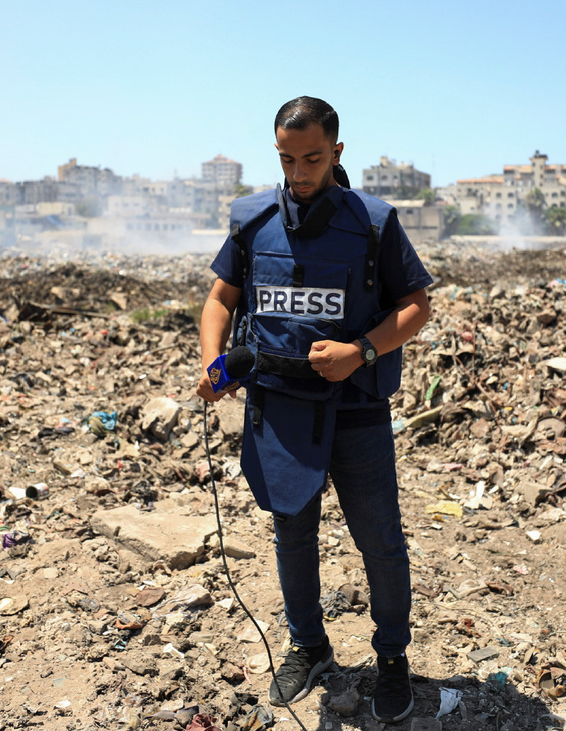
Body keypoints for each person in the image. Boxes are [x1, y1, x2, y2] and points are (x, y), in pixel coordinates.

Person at [196, 97, 432, 723]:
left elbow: (416, 306)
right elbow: (220, 299)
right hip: (278, 409)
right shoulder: (252, 220)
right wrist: (214, 362)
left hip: (355, 409)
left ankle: (392, 659)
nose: (299, 173)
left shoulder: (373, 222)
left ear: (337, 152)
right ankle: (309, 646)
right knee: (291, 532)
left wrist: (361, 351)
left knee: (380, 540)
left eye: (313, 159)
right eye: (287, 160)